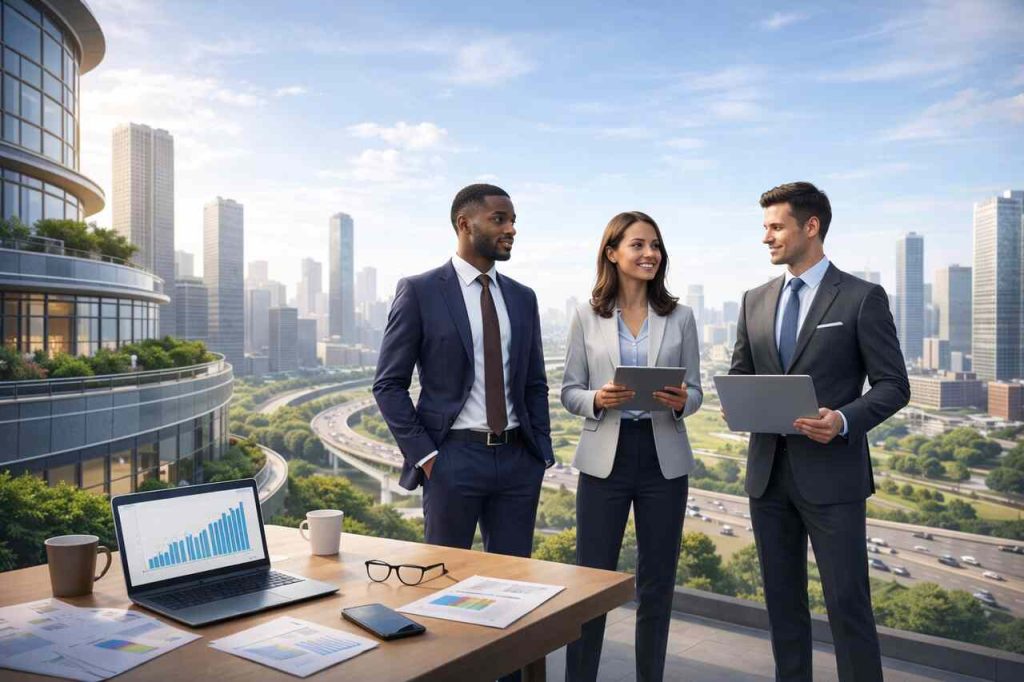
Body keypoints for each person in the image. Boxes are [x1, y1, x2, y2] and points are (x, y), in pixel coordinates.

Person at [729, 182, 910, 681]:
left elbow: (894, 385)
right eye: (764, 227)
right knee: (783, 608)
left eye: (775, 226)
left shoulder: (860, 297)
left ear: (811, 227)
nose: (766, 237)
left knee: (848, 606)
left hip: (833, 477)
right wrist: (737, 403)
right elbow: (742, 373)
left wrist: (843, 419)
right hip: (767, 476)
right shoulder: (753, 300)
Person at [372, 182, 554, 556]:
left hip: (519, 460)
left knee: (515, 584)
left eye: (514, 221)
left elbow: (535, 383)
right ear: (465, 224)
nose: (511, 230)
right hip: (452, 459)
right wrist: (426, 457)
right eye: (499, 219)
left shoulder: (523, 297)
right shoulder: (420, 291)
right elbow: (388, 385)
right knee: (443, 579)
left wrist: (541, 453)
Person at [561, 211, 702, 682]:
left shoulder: (681, 317)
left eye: (655, 246)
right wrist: (598, 399)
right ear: (612, 252)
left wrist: (683, 401)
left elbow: (697, 390)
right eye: (638, 245)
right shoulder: (586, 316)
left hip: (664, 459)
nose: (650, 255)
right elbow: (569, 391)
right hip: (606, 460)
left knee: (658, 585)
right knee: (592, 582)